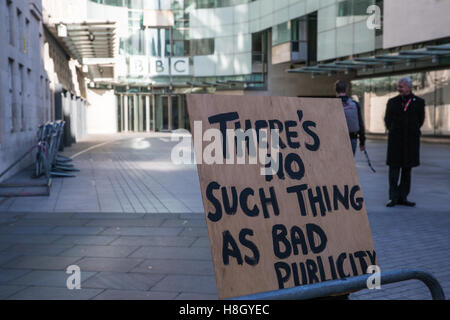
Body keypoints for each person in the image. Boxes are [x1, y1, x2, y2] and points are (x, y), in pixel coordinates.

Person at [384, 77, 425, 207]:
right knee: (394, 172)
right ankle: (393, 198)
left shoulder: (418, 102)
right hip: (395, 142)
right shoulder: (392, 102)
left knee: (407, 172)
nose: (399, 89)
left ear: (409, 87)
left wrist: (411, 130)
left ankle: (403, 197)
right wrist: (394, 129)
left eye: (401, 86)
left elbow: (420, 120)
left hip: (410, 143)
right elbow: (387, 120)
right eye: (398, 86)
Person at [335, 80, 366, 156]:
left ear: (336, 90)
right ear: (346, 89)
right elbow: (360, 123)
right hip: (352, 138)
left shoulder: (332, 104)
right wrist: (362, 142)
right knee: (350, 162)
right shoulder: (354, 104)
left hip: (336, 139)